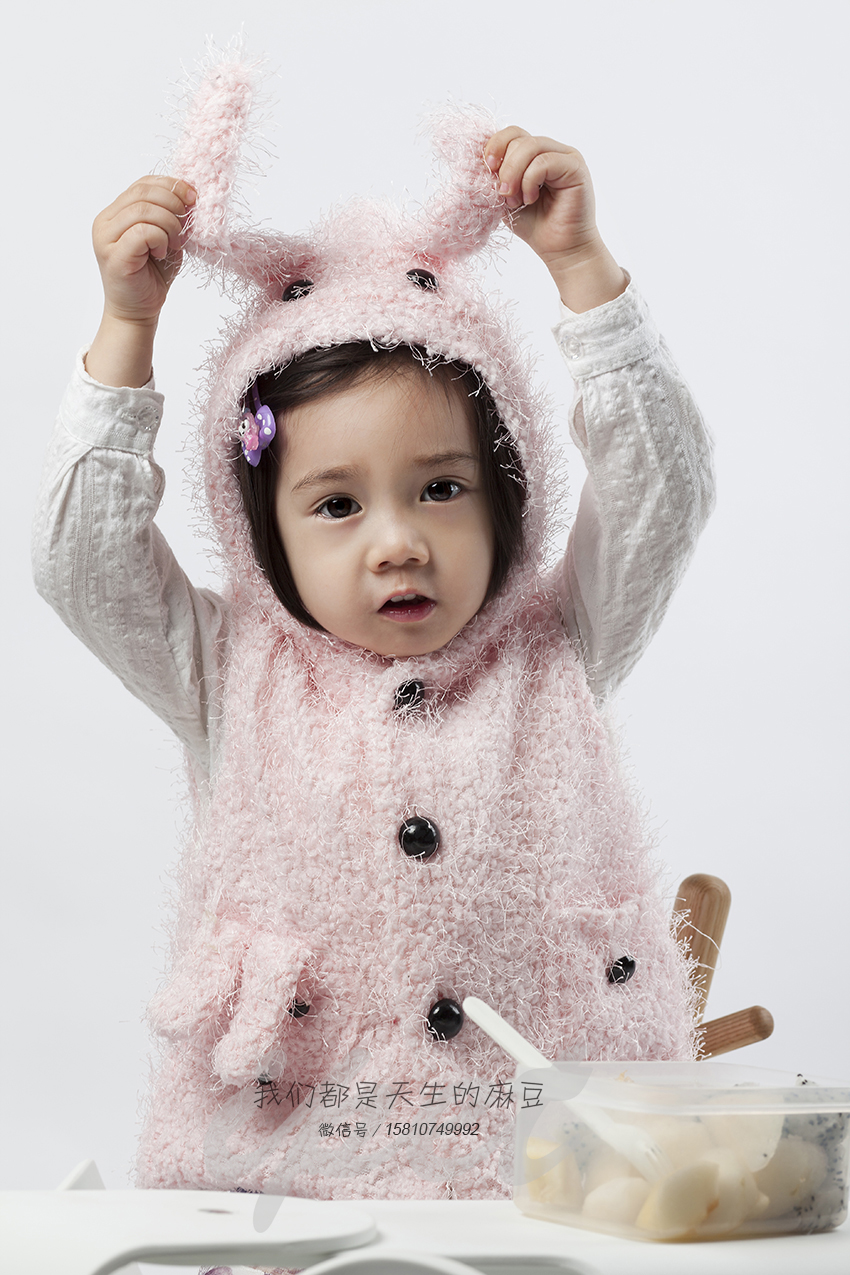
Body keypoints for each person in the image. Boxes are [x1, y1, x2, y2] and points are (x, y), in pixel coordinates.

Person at [33, 55, 714, 1203]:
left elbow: (662, 489)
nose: (396, 542)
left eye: (440, 488)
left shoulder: (558, 642)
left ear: (507, 494)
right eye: (337, 505)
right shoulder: (227, 669)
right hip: (287, 1186)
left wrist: (583, 274)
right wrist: (126, 329)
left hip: (549, 1190)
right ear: (261, 530)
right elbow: (83, 562)